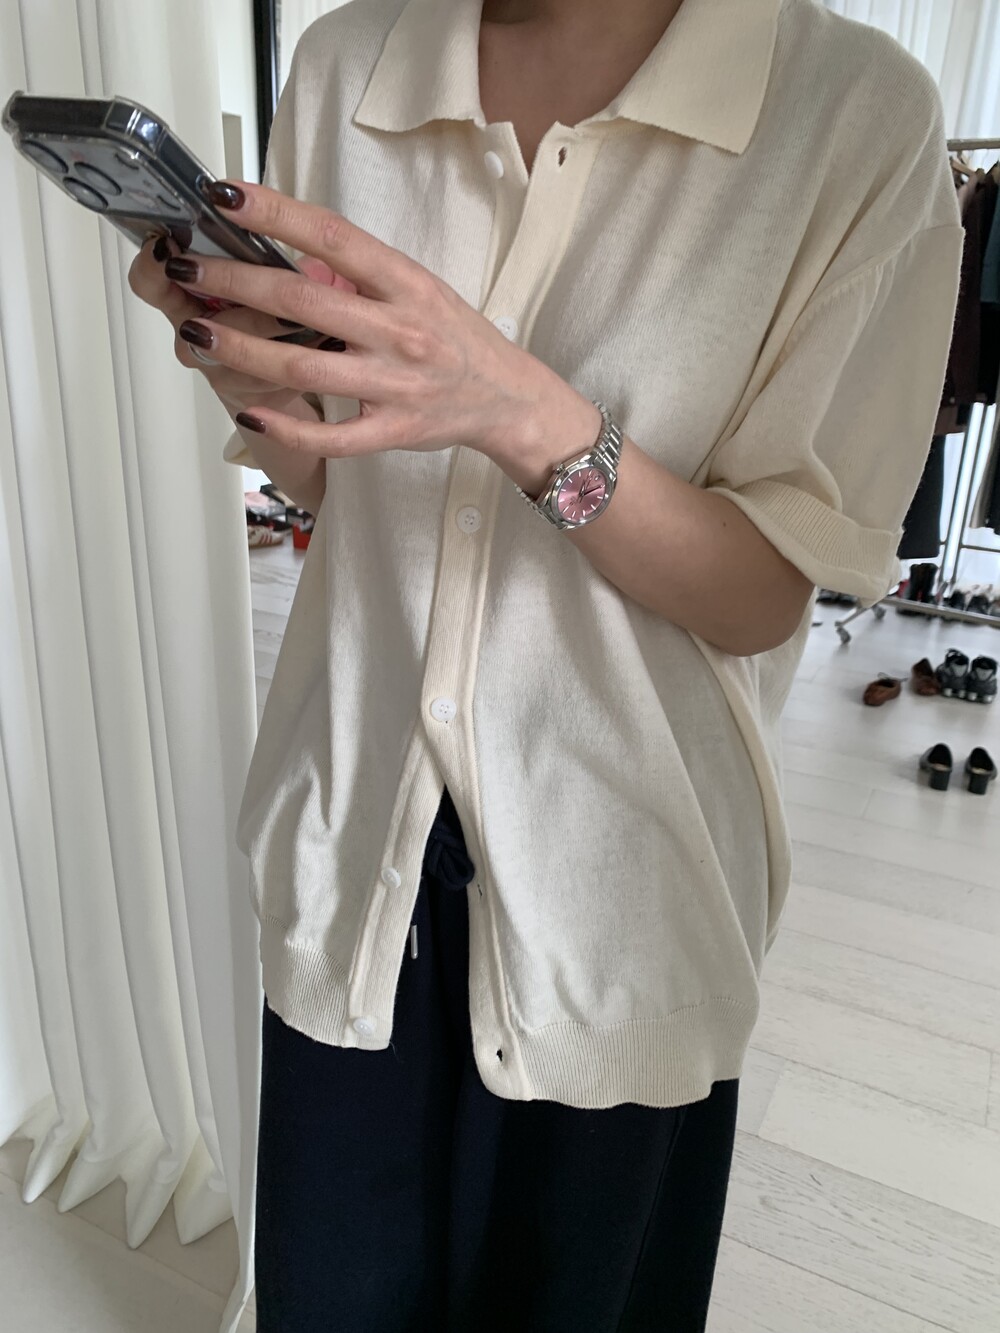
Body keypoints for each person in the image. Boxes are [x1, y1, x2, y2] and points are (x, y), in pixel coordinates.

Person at [130, 0, 963, 1327]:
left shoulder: (853, 116)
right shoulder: (346, 64)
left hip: (621, 877)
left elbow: (760, 588)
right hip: (357, 842)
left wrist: (519, 411)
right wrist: (251, 371)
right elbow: (342, 490)